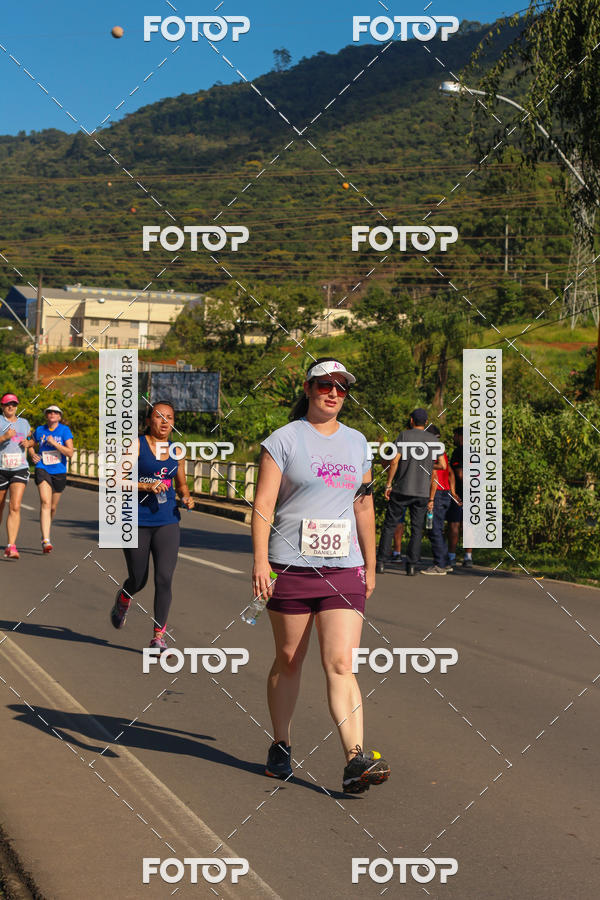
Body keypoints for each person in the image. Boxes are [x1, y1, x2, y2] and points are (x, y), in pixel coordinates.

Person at [252, 357, 390, 795]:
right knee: (289, 660)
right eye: (324, 385)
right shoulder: (283, 440)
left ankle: (355, 760)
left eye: (341, 387)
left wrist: (370, 564)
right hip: (290, 568)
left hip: (344, 568)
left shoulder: (357, 443)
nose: (333, 393)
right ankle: (281, 743)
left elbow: (364, 505)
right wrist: (260, 562)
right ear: (308, 389)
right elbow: (263, 505)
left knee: (341, 663)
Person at [109, 400, 195, 649]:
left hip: (167, 520)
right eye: (159, 416)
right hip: (135, 519)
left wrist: (186, 497)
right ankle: (124, 597)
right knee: (138, 578)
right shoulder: (137, 445)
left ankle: (158, 637)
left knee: (164, 578)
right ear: (149, 420)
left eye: (169, 417)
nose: (165, 421)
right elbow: (115, 480)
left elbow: (181, 485)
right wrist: (145, 486)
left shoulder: (177, 451)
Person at [376, 408, 444, 576]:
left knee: (390, 525)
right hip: (422, 492)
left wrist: (389, 484)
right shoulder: (433, 440)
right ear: (426, 422)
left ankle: (381, 562)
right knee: (416, 529)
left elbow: (394, 461)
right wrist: (428, 464)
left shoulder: (404, 436)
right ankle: (411, 566)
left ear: (412, 420)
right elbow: (442, 465)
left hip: (402, 488)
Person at [29, 405, 74, 553]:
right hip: (42, 468)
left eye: (55, 412)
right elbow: (29, 442)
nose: (52, 414)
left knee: (52, 507)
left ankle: (46, 527)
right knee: (45, 502)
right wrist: (32, 454)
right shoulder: (40, 430)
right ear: (46, 416)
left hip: (59, 471)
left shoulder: (64, 431)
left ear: (59, 417)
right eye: (49, 412)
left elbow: (70, 453)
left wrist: (55, 443)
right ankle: (46, 540)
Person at [421, 426, 460, 575]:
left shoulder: (431, 450)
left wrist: (431, 498)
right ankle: (446, 562)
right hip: (445, 493)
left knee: (434, 529)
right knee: (438, 529)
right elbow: (450, 472)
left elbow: (434, 476)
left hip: (436, 494)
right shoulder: (441, 450)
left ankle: (440, 565)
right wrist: (453, 491)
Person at [0, 393, 32, 559]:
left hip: (19, 468)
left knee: (15, 506)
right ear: (2, 406)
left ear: (17, 406)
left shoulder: (23, 423)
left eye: (13, 404)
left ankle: (11, 546)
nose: (10, 407)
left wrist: (29, 443)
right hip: (1, 469)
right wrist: (4, 437)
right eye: (7, 404)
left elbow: (30, 439)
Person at [448, 427, 473, 568]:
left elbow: (459, 474)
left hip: (459, 493)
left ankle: (451, 556)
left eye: (454, 436)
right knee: (469, 525)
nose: (453, 438)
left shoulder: (459, 451)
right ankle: (468, 556)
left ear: (460, 436)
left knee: (454, 524)